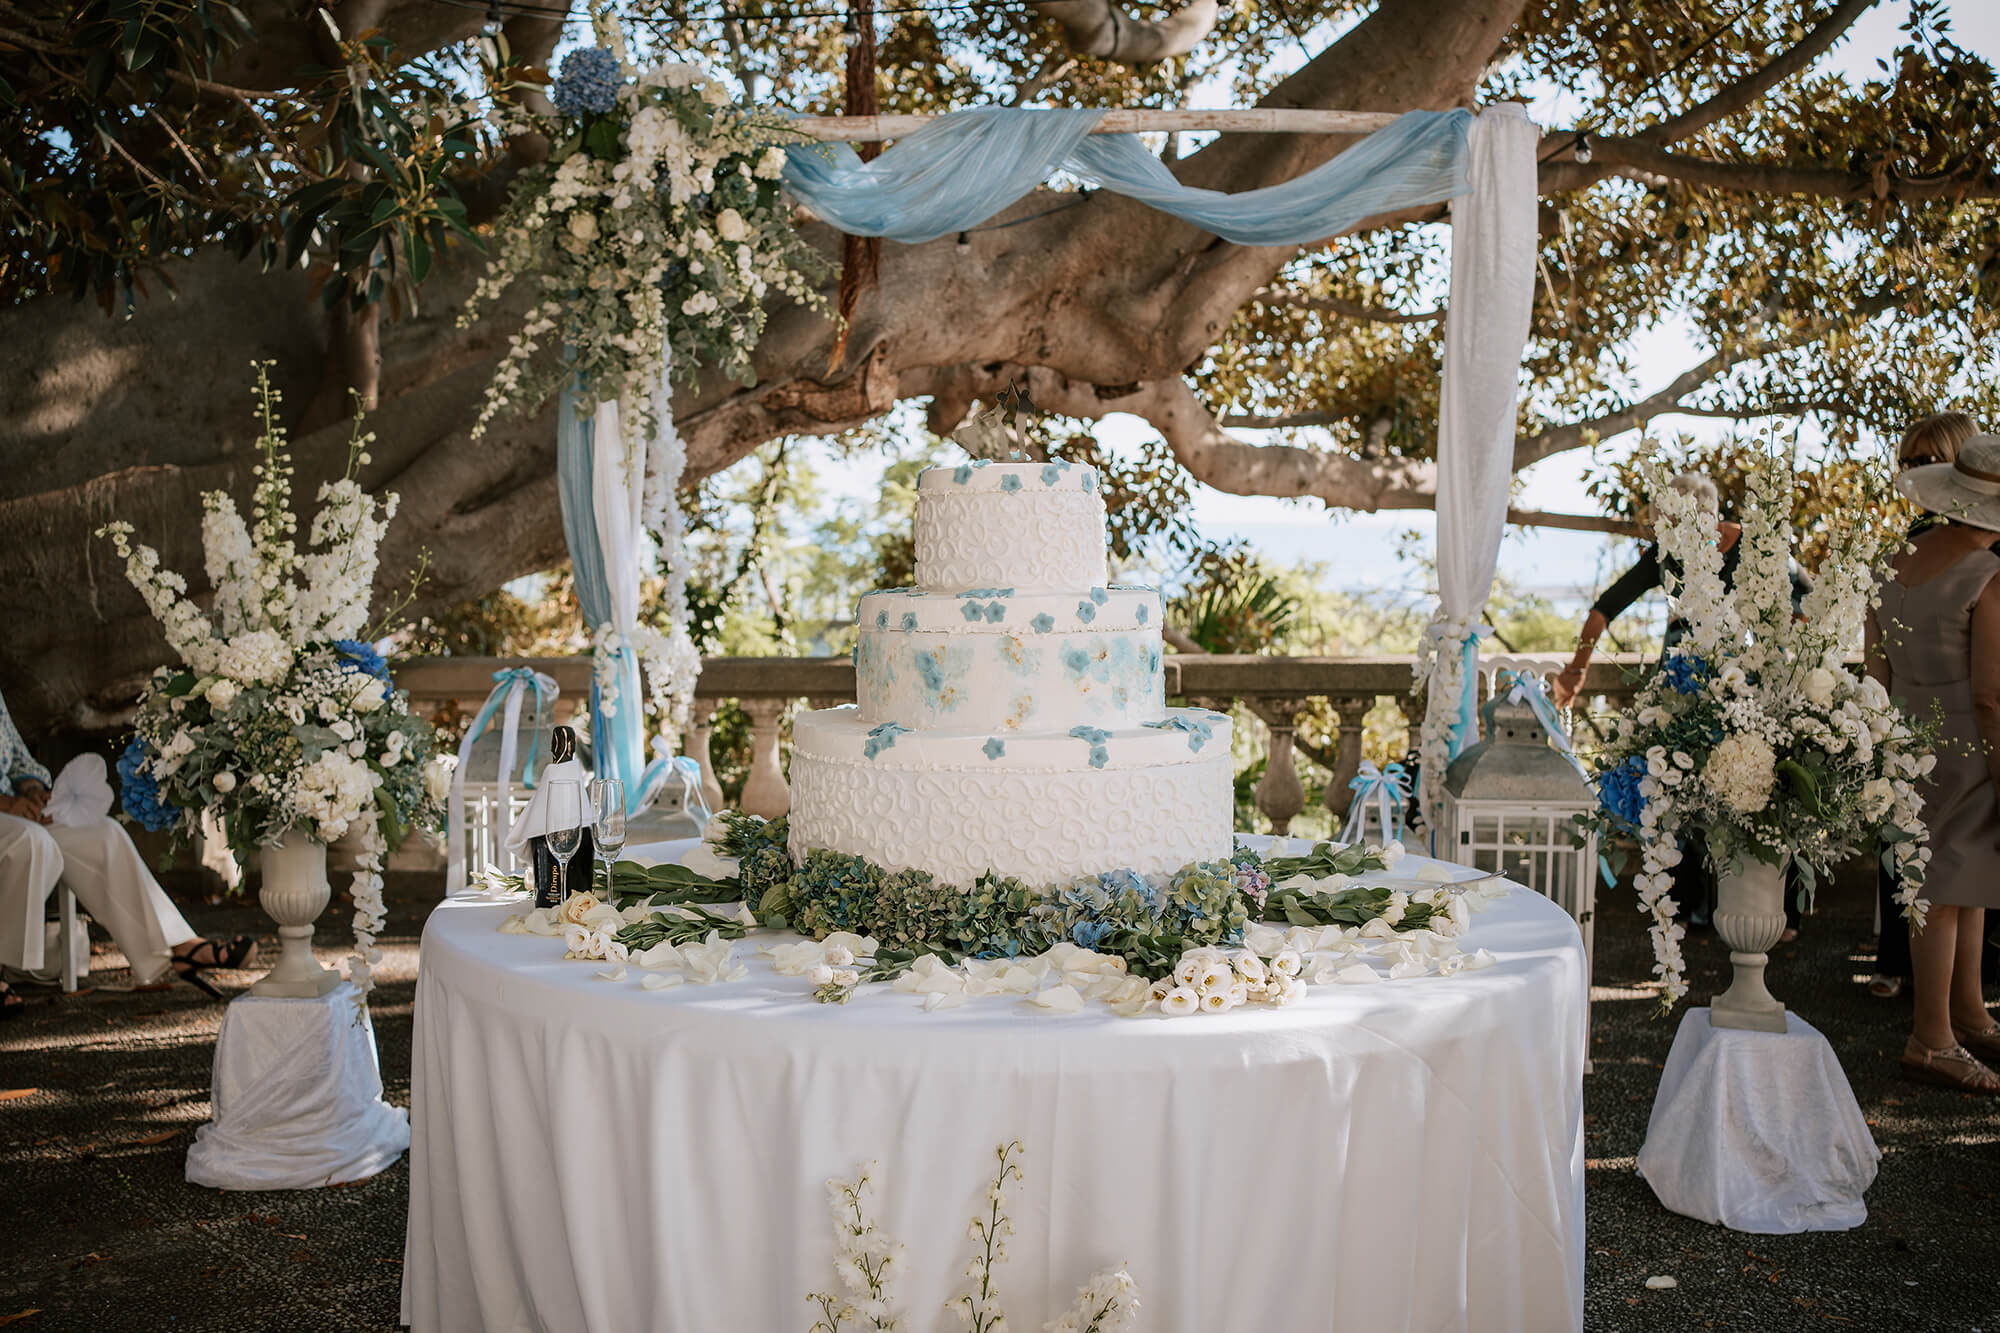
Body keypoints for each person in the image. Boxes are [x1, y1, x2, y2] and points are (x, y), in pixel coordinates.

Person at [1554, 472, 1810, 934]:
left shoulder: (1758, 546)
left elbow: (1804, 606)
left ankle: (1779, 910)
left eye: (1679, 527)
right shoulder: (1667, 552)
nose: (1673, 540)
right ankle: (1692, 907)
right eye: (1664, 530)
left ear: (1709, 517)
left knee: (1764, 787)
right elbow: (1604, 608)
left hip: (1751, 685)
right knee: (1683, 789)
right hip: (1683, 683)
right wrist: (1576, 671)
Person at [1867, 432, 2000, 1093]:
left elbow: (1875, 674)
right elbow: (1990, 694)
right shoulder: (1987, 573)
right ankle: (1931, 1038)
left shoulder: (1892, 561)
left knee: (1959, 882)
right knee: (1942, 896)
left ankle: (1969, 1012)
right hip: (1970, 748)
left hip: (1905, 742)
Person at [0, 689, 252, 1012]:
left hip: (17, 813)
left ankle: (177, 945)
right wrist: (8, 804)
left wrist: (34, 793)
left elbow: (20, 761)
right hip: (10, 818)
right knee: (30, 840)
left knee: (104, 833)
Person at [1870, 412, 1979, 1000]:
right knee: (1910, 853)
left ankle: (1963, 1003)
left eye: (1926, 460)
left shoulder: (1986, 547)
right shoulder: (1902, 549)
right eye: (1908, 461)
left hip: (1962, 723)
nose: (1914, 472)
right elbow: (1878, 654)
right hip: (1919, 724)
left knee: (1961, 871)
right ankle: (1905, 972)